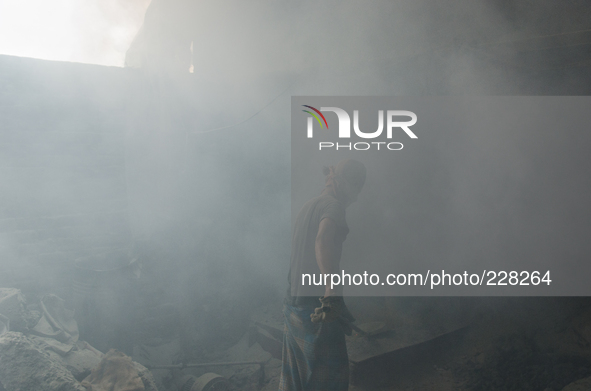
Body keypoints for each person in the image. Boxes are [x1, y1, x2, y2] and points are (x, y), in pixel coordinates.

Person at [279, 159, 366, 391]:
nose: (354, 198)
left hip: (293, 307)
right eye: (356, 190)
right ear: (343, 184)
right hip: (317, 312)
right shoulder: (333, 206)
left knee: (296, 381)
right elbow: (323, 239)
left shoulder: (308, 206)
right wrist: (332, 291)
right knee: (331, 380)